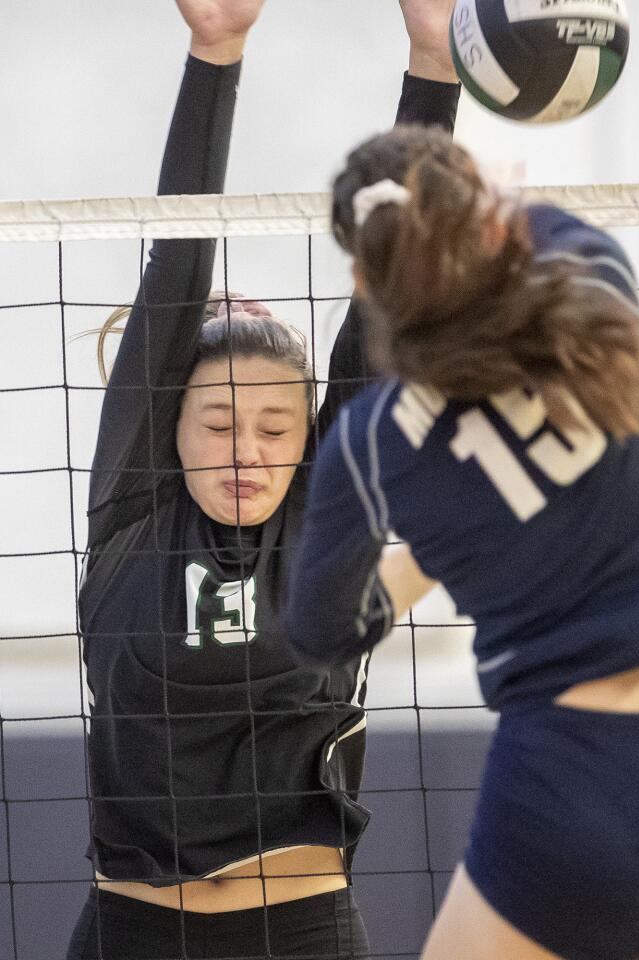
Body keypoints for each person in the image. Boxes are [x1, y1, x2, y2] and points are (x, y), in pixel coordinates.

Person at [283, 128, 639, 958]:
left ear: (362, 280)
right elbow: (526, 230)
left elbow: (320, 632)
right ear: (486, 220)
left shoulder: (369, 443)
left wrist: (433, 555)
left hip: (566, 787)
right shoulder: (593, 289)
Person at [68, 0, 461, 957]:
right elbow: (178, 262)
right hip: (129, 930)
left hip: (300, 932)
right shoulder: (134, 510)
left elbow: (393, 266)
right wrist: (216, 49)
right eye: (217, 422)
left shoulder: (334, 508)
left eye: (277, 424)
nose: (247, 448)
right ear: (168, 429)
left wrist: (435, 63)